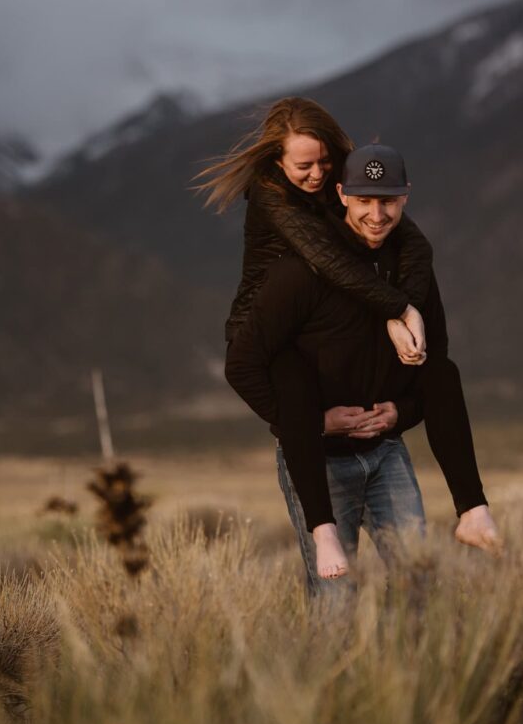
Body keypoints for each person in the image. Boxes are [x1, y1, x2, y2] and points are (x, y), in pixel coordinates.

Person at [195, 98, 499, 577]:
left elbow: (412, 244)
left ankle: (473, 510)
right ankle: (324, 530)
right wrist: (397, 307)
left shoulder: (378, 224)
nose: (314, 173)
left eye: (323, 162)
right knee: (290, 375)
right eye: (304, 165)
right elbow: (327, 260)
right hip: (267, 330)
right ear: (342, 196)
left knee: (441, 371)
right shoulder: (279, 207)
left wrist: (401, 402)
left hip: (379, 437)